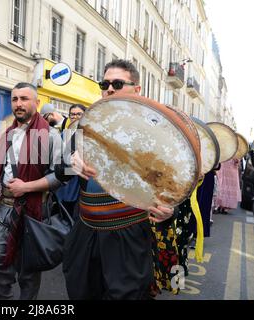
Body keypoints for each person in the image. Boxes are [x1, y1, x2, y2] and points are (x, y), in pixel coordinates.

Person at [55, 59, 174, 300]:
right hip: (85, 232)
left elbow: (172, 186)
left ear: (136, 89)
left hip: (128, 233)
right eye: (105, 83)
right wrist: (72, 163)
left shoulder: (154, 133)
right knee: (80, 292)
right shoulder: (86, 126)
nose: (109, 89)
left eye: (117, 83)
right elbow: (59, 171)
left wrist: (169, 209)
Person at [0, 82, 62, 299]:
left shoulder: (50, 136)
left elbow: (60, 176)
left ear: (36, 103)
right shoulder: (8, 133)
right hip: (4, 207)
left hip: (34, 211)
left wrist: (26, 187)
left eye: (24, 99)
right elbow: (0, 169)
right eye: (15, 99)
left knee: (28, 270)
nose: (18, 104)